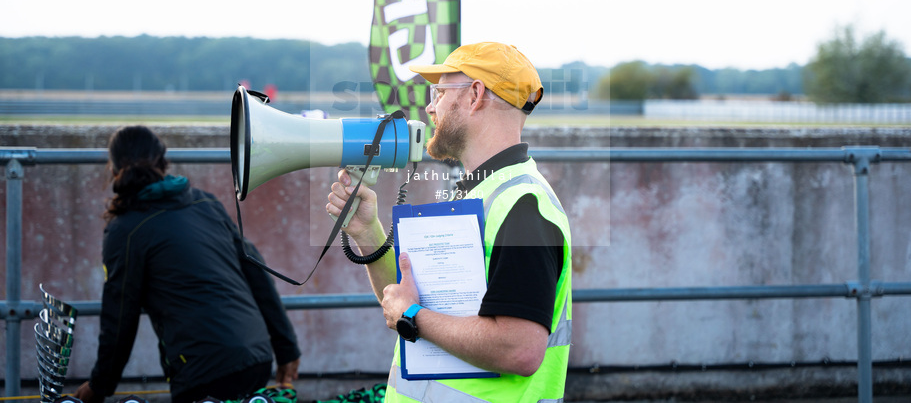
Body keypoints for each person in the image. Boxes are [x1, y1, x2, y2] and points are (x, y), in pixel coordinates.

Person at [327, 42, 572, 402]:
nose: (429, 106)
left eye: (439, 91)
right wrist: (367, 232)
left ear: (475, 95)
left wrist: (413, 316)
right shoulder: (483, 192)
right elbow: (404, 300)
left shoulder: (523, 207)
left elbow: (520, 348)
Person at [75, 126, 300, 403]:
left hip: (202, 372)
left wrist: (98, 387)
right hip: (256, 357)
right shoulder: (206, 202)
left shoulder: (125, 230)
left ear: (113, 168)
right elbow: (257, 272)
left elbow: (120, 318)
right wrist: (286, 348)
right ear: (163, 161)